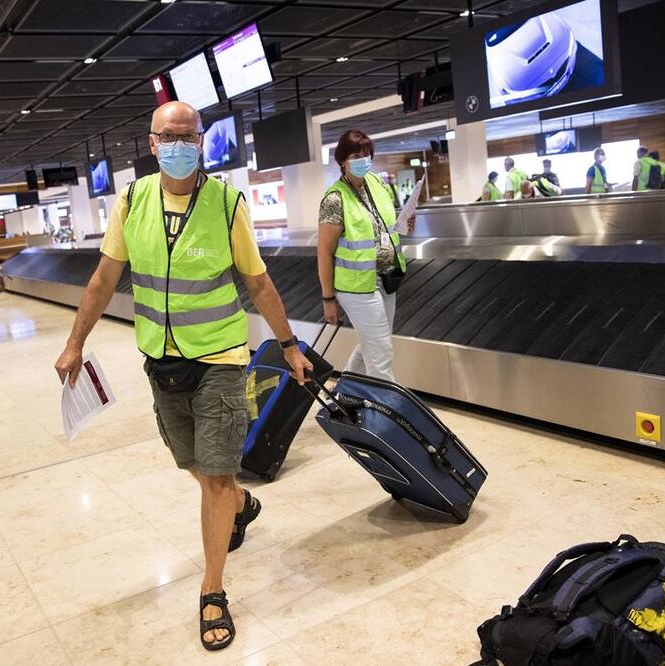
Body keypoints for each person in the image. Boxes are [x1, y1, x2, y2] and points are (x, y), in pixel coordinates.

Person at [53, 101, 311, 652]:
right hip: (160, 359)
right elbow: (104, 278)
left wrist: (288, 345)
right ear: (151, 144)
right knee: (191, 461)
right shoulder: (133, 201)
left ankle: (212, 590)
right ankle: (240, 505)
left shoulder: (226, 203)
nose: (177, 144)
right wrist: (75, 342)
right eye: (167, 136)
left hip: (219, 356)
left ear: (202, 142)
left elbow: (258, 283)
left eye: (187, 136)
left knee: (217, 473)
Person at [318, 129, 411, 382]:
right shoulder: (335, 199)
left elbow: (385, 227)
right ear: (342, 161)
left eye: (367, 154)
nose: (363, 160)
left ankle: (348, 393)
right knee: (381, 352)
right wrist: (328, 299)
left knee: (373, 343)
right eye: (356, 155)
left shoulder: (378, 184)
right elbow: (324, 252)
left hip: (386, 277)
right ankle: (385, 414)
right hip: (357, 287)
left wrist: (404, 226)